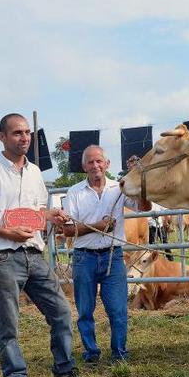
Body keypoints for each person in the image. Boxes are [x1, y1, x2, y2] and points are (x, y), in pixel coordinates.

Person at [0, 112, 95, 377]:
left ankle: (64, 375)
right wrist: (5, 232)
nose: (23, 138)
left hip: (34, 254)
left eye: (26, 133)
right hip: (3, 256)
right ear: (2, 137)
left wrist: (52, 215)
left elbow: (36, 212)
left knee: (61, 312)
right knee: (8, 323)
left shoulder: (35, 172)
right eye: (16, 133)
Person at [63, 146, 151, 365]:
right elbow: (66, 230)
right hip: (84, 257)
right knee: (85, 310)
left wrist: (140, 179)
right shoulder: (74, 192)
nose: (95, 166)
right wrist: (99, 227)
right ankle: (91, 353)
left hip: (113, 256)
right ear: (84, 167)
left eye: (99, 161)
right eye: (90, 162)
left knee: (118, 309)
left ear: (107, 164)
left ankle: (119, 353)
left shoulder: (119, 188)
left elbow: (144, 206)